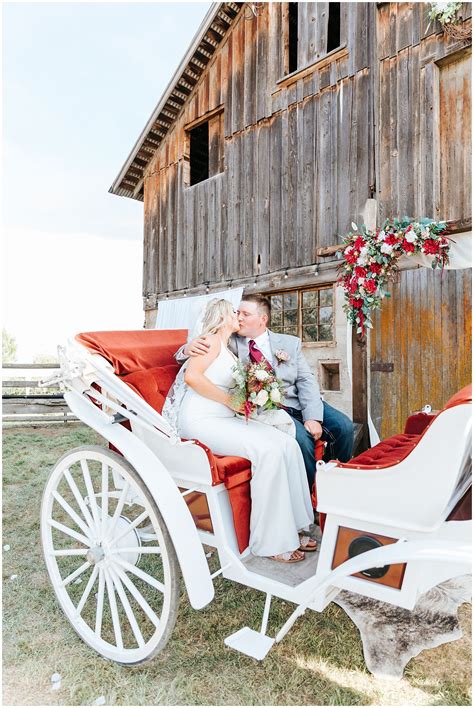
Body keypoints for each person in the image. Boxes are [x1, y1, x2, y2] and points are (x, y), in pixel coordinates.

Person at [164, 298, 315, 563]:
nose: (240, 317)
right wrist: (230, 401)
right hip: (202, 419)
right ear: (223, 316)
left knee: (286, 443)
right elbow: (192, 377)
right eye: (235, 312)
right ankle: (271, 542)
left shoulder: (229, 349)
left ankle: (296, 526)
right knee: (268, 451)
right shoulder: (209, 341)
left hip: (225, 417)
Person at [176, 293, 354, 491]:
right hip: (265, 408)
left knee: (344, 427)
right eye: (238, 313)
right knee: (301, 439)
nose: (239, 318)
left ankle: (335, 483)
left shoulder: (289, 343)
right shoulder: (231, 340)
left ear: (263, 319)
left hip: (296, 401)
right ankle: (312, 492)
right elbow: (202, 345)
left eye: (245, 314)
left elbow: (306, 381)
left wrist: (312, 417)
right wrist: (187, 348)